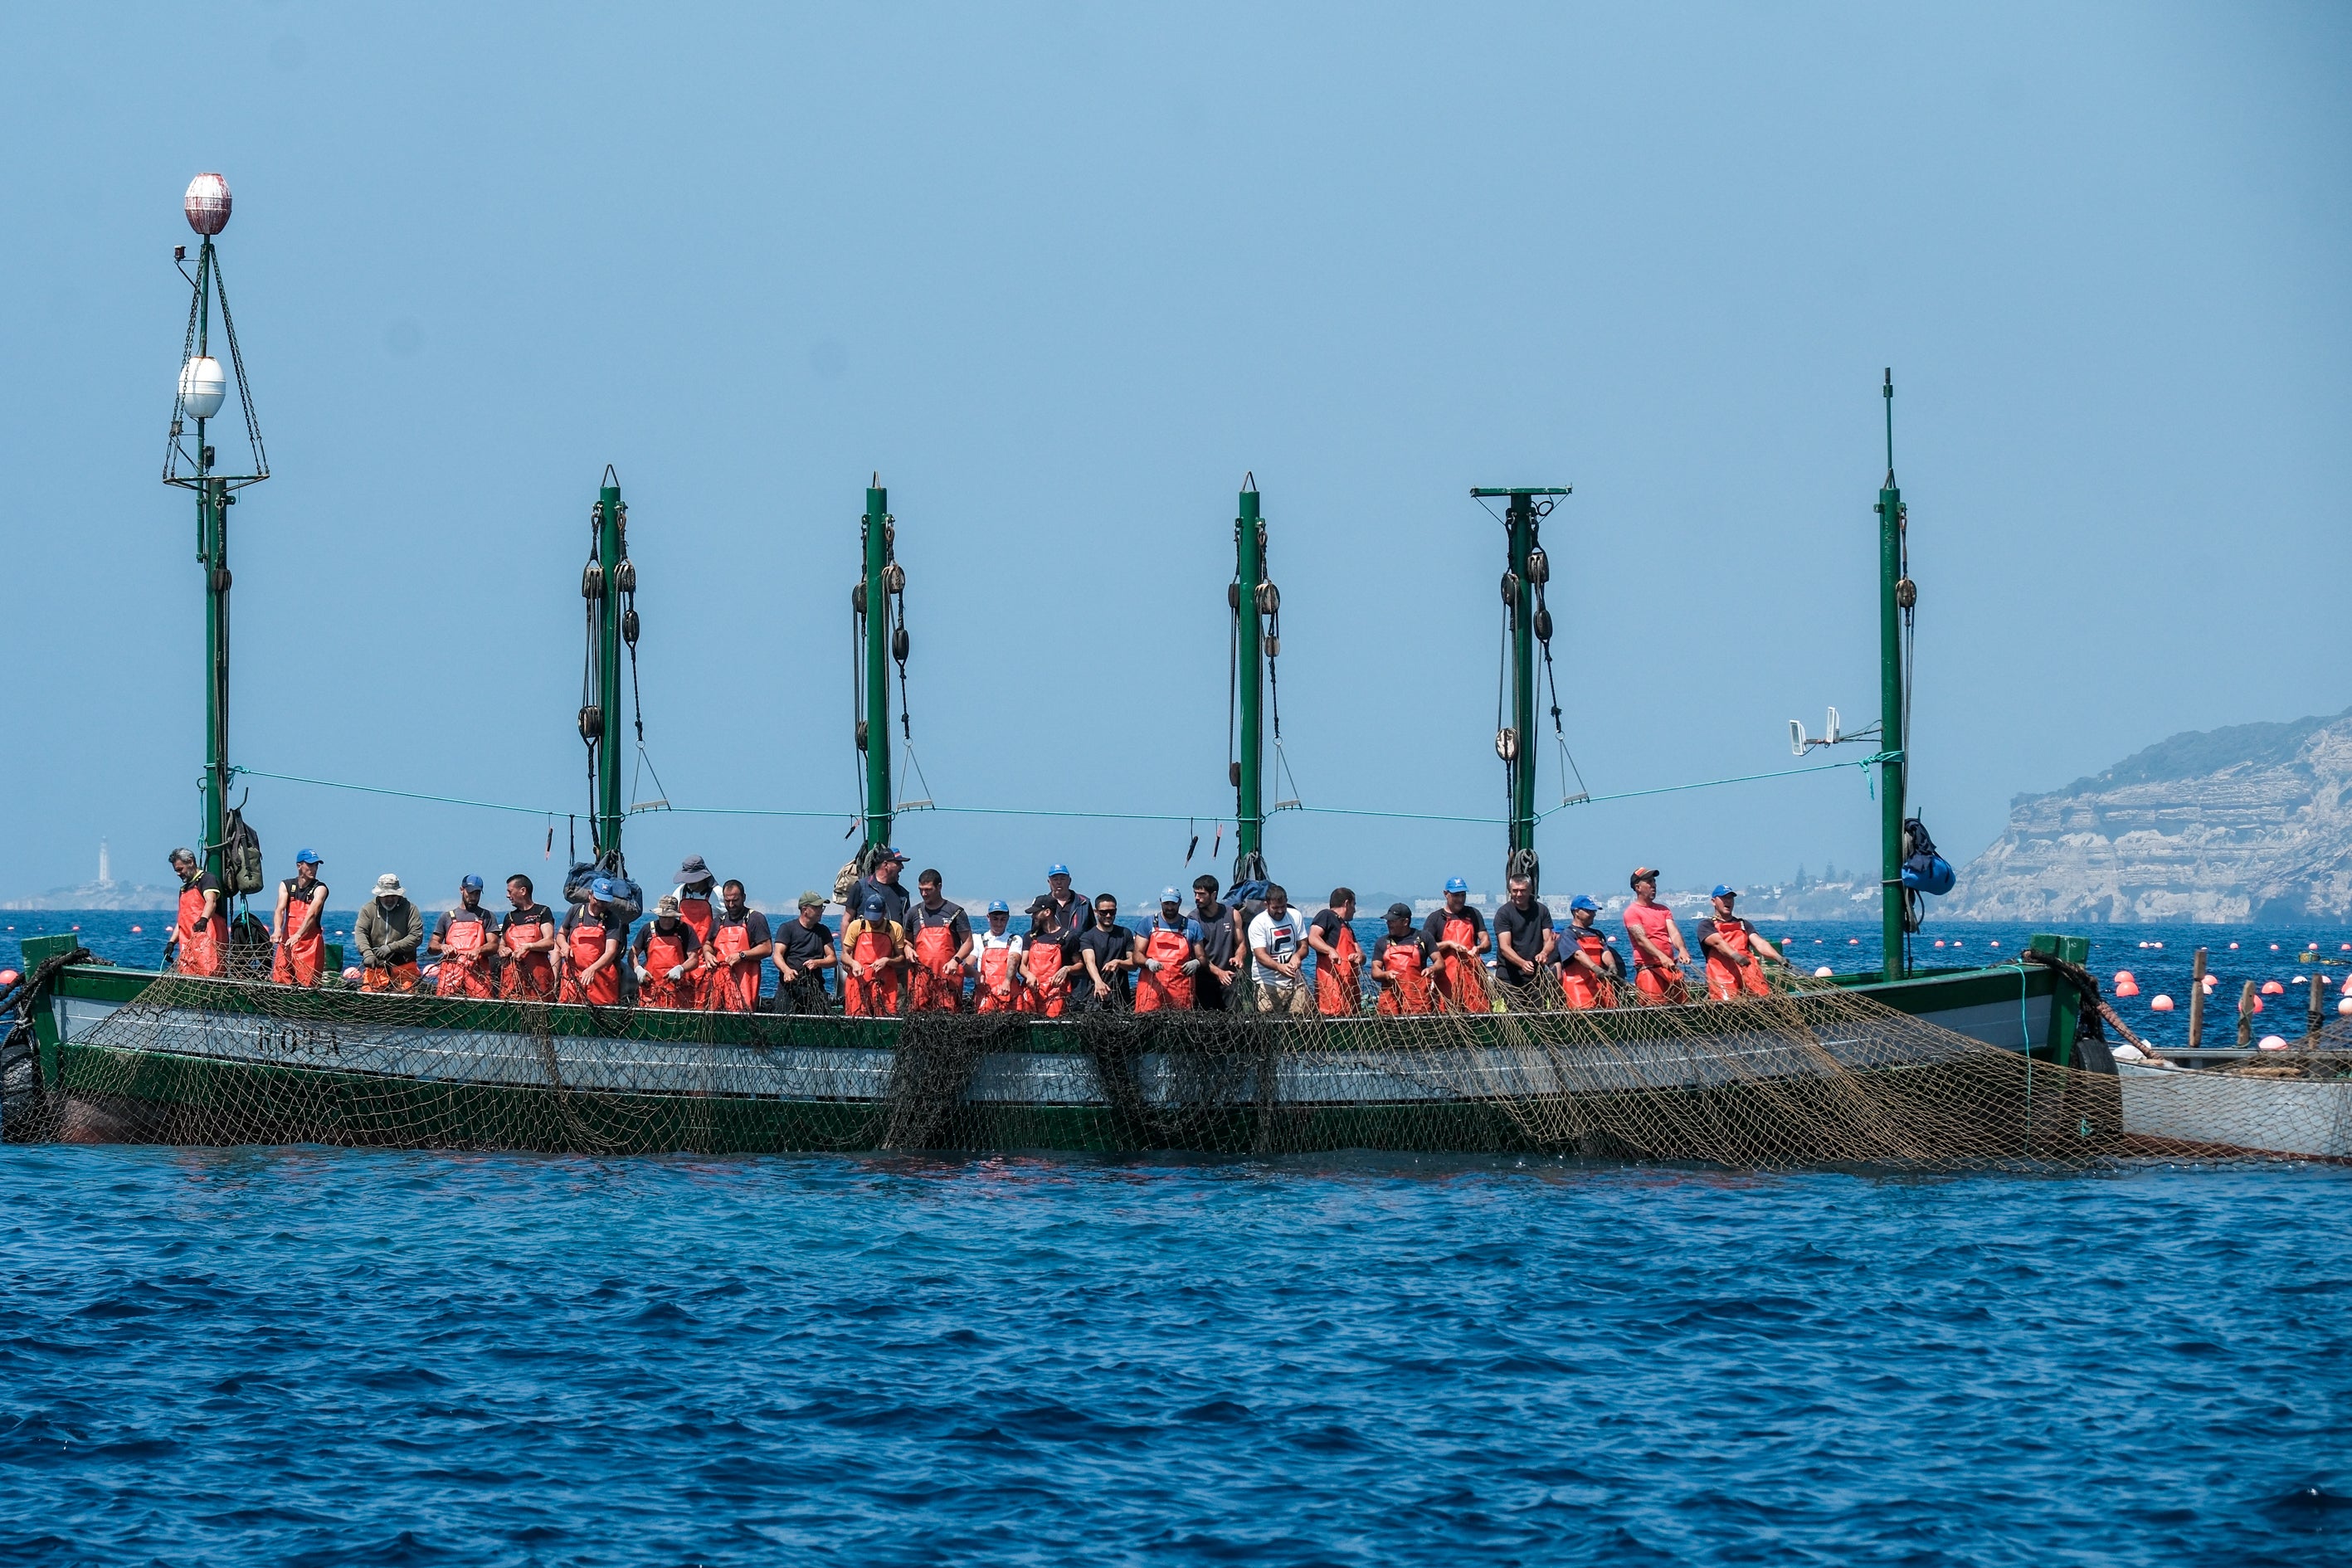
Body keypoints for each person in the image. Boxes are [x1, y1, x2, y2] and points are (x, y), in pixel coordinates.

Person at [1697, 885, 1785, 1001]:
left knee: (1763, 998)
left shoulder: (1744, 924)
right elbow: (1718, 943)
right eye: (1724, 898)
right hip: (1723, 975)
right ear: (1713, 901)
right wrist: (1736, 956)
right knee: (1728, 1003)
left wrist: (1778, 957)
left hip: (1749, 971)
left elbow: (1760, 944)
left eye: (1731, 898)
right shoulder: (1706, 925)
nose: (1728, 901)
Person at [908, 869, 972, 1013]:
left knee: (948, 1015)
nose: (924, 894)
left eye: (928, 890)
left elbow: (968, 943)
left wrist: (956, 960)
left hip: (948, 978)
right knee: (918, 1014)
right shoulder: (913, 913)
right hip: (921, 979)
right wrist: (907, 949)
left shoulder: (956, 912)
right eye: (921, 890)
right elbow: (907, 942)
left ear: (939, 887)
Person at [704, 879, 773, 1013]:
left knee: (741, 1012)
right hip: (720, 979)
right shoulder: (719, 920)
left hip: (744, 979)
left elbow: (767, 948)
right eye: (727, 900)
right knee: (715, 1011)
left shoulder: (755, 918)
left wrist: (742, 955)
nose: (731, 905)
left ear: (744, 897)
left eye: (735, 900)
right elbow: (708, 944)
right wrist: (707, 954)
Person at [1622, 867, 1691, 1003]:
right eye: (1649, 882)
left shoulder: (1663, 910)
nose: (1654, 885)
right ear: (1638, 887)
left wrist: (1682, 950)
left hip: (1669, 968)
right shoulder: (1632, 912)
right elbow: (1641, 940)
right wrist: (1661, 957)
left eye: (1654, 881)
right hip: (1649, 970)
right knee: (1654, 1010)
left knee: (1684, 1005)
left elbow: (1674, 932)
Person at [1422, 878, 1491, 1011]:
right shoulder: (1435, 918)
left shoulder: (1473, 914)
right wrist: (1449, 944)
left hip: (1472, 974)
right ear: (1445, 894)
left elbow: (1487, 942)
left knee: (1478, 1010)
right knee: (1446, 1010)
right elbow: (1424, 948)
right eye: (1456, 895)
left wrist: (1479, 948)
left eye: (1463, 895)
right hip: (1447, 976)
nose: (1460, 899)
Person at [1247, 884, 1314, 1017]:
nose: (1280, 911)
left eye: (1283, 907)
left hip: (1295, 981)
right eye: (1275, 908)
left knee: (1302, 1019)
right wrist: (1279, 967)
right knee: (1269, 1022)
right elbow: (1260, 955)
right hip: (1268, 983)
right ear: (1266, 905)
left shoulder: (1295, 916)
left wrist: (1297, 956)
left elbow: (1304, 946)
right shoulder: (1258, 923)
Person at [1133, 887, 1205, 1013]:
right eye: (1166, 903)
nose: (1170, 907)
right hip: (1151, 991)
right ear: (1160, 902)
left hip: (1180, 991)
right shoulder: (1147, 923)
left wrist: (1197, 963)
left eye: (1173, 903)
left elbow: (1202, 957)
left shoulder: (1192, 926)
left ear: (1180, 902)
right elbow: (1136, 956)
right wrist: (1148, 962)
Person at [428, 874, 500, 998]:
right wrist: (442, 947)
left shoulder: (487, 916)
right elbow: (431, 946)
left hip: (478, 973)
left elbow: (494, 945)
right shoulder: (447, 917)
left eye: (477, 894)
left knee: (481, 1007)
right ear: (462, 890)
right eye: (470, 893)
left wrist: (479, 950)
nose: (473, 897)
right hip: (451, 972)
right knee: (446, 1005)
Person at [840, 890, 909, 1016]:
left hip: (884, 984)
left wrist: (887, 961)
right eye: (870, 918)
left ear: (884, 913)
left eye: (876, 918)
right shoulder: (856, 926)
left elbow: (901, 960)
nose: (873, 922)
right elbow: (844, 955)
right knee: (857, 1018)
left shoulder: (895, 928)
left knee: (886, 1020)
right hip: (858, 982)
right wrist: (853, 963)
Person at [558, 877, 626, 1006]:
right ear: (590, 894)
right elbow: (561, 934)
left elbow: (611, 951)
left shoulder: (613, 920)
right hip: (573, 977)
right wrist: (564, 945)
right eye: (597, 900)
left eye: (604, 902)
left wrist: (592, 969)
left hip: (600, 979)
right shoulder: (575, 910)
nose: (600, 905)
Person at [1491, 875, 1556, 1007]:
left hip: (1536, 977)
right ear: (1510, 890)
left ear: (1530, 889)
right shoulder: (1504, 913)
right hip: (1509, 977)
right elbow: (1505, 947)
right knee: (1515, 1016)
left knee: (1539, 1017)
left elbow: (1549, 939)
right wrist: (1522, 963)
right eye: (1515, 890)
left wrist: (1544, 953)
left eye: (1523, 890)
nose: (1519, 894)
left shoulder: (1541, 910)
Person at [770, 891, 838, 1015]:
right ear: (805, 909)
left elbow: (833, 959)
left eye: (822, 907)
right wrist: (786, 970)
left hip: (815, 988)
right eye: (817, 907)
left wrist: (818, 962)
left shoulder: (823, 931)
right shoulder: (787, 928)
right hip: (789, 988)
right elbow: (777, 955)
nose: (821, 911)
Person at [354, 873, 423, 991]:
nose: (390, 899)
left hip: (404, 966)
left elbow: (416, 936)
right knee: (369, 994)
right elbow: (361, 933)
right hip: (376, 965)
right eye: (386, 896)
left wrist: (391, 948)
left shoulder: (410, 909)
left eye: (393, 895)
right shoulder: (368, 909)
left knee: (407, 996)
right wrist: (367, 953)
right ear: (379, 894)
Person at [631, 894, 703, 1009]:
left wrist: (681, 969)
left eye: (670, 917)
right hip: (651, 991)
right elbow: (633, 953)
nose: (667, 921)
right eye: (664, 917)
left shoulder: (685, 930)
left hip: (678, 991)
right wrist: (638, 969)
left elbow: (694, 959)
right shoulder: (647, 929)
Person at [270, 848, 329, 986]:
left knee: (308, 983)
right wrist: (277, 929)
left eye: (316, 865)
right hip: (287, 943)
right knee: (281, 980)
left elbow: (312, 914)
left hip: (309, 945)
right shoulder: (287, 885)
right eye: (310, 865)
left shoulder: (320, 888)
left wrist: (298, 934)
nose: (314, 868)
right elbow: (280, 909)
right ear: (299, 866)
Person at [166, 847, 225, 978]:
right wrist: (171, 943)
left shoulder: (207, 879)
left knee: (210, 975)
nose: (178, 874)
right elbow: (181, 921)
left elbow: (211, 901)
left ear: (191, 862)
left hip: (208, 943)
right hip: (187, 945)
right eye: (176, 871)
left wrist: (204, 919)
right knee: (187, 975)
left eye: (180, 869)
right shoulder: (184, 889)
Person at [499, 874, 559, 1001]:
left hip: (538, 979)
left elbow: (549, 942)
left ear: (523, 891)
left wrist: (528, 946)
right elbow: (501, 945)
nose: (507, 896)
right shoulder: (509, 918)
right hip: (512, 980)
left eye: (510, 891)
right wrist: (503, 950)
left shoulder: (542, 912)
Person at [1077, 893, 1140, 1011]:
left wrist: (1119, 963)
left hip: (1121, 996)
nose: (1108, 915)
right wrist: (1098, 982)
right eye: (1104, 912)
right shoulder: (1088, 937)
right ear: (1096, 912)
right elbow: (1089, 962)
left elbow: (1133, 964)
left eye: (1112, 912)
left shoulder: (1124, 933)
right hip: (1095, 994)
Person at [1556, 894, 1620, 1010]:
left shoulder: (1597, 934)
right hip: (1579, 987)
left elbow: (1605, 952)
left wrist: (1612, 965)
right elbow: (1578, 954)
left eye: (1594, 911)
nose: (1593, 914)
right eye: (1589, 911)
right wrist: (1596, 969)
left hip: (1600, 984)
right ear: (1576, 912)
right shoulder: (1568, 934)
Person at [1371, 902, 1434, 1015]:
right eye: (1388, 921)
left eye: (1393, 921)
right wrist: (1385, 975)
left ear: (1405, 922)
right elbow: (1375, 971)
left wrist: (1432, 969)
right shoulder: (1382, 942)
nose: (1389, 924)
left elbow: (1440, 962)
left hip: (1417, 998)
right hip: (1391, 999)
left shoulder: (1424, 937)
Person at [1307, 888, 1364, 1016]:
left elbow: (1360, 952)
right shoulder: (1326, 915)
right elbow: (1313, 937)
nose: (1355, 910)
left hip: (1349, 988)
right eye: (1354, 905)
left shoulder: (1347, 926)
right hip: (1332, 987)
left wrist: (1360, 956)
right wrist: (1330, 950)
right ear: (1346, 903)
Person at [1019, 901, 1081, 1017]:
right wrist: (1028, 975)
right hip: (1032, 992)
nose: (1033, 916)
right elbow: (1022, 965)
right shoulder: (1030, 936)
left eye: (1036, 913)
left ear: (1047, 912)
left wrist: (1067, 969)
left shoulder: (1069, 937)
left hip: (1057, 994)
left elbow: (1080, 965)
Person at [674, 855, 720, 1004]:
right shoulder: (680, 892)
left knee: (704, 1001)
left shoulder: (717, 894)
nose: (690, 883)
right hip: (683, 956)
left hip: (707, 956)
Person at [1191, 874, 1239, 1011]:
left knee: (1234, 1022)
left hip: (1229, 980)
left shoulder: (1232, 914)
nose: (1196, 898)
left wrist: (1239, 956)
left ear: (1214, 895)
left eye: (1201, 894)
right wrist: (1219, 973)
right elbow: (1199, 956)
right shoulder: (1193, 920)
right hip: (1204, 980)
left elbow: (1241, 943)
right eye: (1195, 893)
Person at [969, 899, 1025, 1014]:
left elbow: (1013, 960)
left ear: (1008, 919)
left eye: (1002, 919)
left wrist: (1007, 981)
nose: (999, 923)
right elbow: (968, 964)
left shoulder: (1015, 939)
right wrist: (975, 974)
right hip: (986, 997)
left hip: (1010, 995)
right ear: (988, 917)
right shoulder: (978, 939)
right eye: (995, 919)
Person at [848, 847, 913, 930]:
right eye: (898, 863)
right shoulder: (861, 887)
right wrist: (845, 943)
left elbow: (907, 927)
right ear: (885, 865)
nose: (902, 867)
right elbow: (847, 920)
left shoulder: (903, 894)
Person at [1036, 864, 1088, 937]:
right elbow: (1035, 933)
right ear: (1049, 882)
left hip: (1078, 947)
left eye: (1062, 879)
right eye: (1055, 879)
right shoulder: (1041, 904)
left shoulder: (1084, 903)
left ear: (1069, 881)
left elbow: (1092, 932)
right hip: (1052, 947)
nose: (1059, 882)